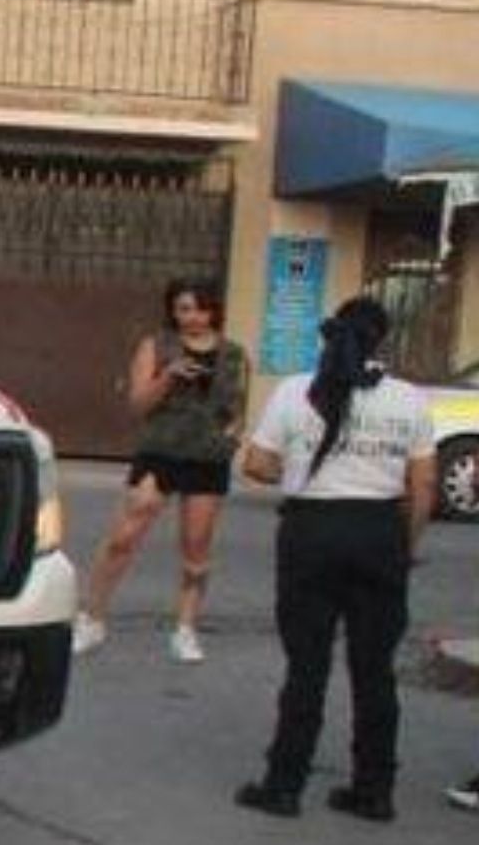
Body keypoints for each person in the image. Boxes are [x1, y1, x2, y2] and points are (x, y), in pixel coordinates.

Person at [233, 297, 436, 823]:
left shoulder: (295, 391)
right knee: (375, 671)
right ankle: (374, 790)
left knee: (306, 667)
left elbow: (257, 464)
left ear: (331, 335)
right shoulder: (409, 400)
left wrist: (298, 473)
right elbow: (424, 484)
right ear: (382, 340)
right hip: (379, 533)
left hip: (312, 532)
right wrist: (406, 546)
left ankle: (283, 785)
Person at [72, 277, 248, 663]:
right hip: (160, 451)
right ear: (172, 310)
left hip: (207, 457)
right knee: (125, 534)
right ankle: (92, 617)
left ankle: (185, 628)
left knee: (196, 545)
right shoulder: (156, 346)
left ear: (214, 310)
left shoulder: (234, 354)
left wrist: (230, 439)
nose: (194, 318)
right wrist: (168, 375)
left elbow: (237, 409)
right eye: (184, 309)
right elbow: (138, 405)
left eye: (201, 309)